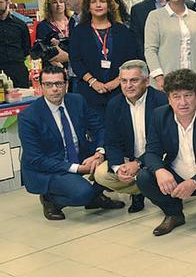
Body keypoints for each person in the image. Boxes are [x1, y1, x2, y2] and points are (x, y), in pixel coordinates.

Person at [136, 69, 196, 236]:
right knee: (144, 177)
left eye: (188, 95)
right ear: (168, 99)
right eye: (176, 96)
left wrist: (195, 182)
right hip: (176, 175)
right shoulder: (159, 116)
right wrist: (160, 171)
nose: (182, 102)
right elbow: (152, 152)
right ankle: (173, 213)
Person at [19, 65, 124, 220]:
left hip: (80, 155)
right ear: (41, 87)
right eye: (49, 84)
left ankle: (95, 198)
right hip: (49, 167)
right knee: (83, 193)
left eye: (59, 84)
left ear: (66, 85)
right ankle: (50, 199)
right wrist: (79, 169)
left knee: (118, 155)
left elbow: (100, 128)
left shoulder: (77, 101)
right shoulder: (28, 116)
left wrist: (99, 153)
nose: (54, 89)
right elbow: (36, 159)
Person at [94, 60, 167, 213]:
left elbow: (165, 143)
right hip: (130, 159)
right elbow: (112, 142)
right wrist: (118, 167)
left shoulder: (162, 102)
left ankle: (156, 190)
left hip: (160, 157)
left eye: (134, 80)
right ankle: (139, 191)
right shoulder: (115, 104)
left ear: (147, 81)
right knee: (101, 175)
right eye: (124, 81)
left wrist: (139, 163)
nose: (128, 85)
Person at [69, 0, 141, 120]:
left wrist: (117, 81)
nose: (98, 5)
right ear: (88, 7)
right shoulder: (79, 32)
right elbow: (76, 61)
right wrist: (93, 81)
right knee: (98, 134)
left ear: (109, 6)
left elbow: (132, 59)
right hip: (90, 92)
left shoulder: (123, 30)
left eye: (102, 1)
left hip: (120, 90)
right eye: (94, 2)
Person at [143, 0, 196, 91]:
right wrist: (159, 77)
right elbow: (150, 50)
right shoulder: (155, 16)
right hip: (165, 82)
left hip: (192, 81)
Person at [0, 0, 31, 87]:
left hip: (18, 70)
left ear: (8, 2)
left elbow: (26, 48)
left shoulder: (20, 24)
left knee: (23, 100)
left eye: (0, 2)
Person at [34, 0, 70, 70]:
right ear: (48, 6)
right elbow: (42, 51)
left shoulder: (73, 22)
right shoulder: (43, 26)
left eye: (61, 1)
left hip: (74, 65)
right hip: (53, 68)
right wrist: (62, 68)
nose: (58, 5)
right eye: (54, 2)